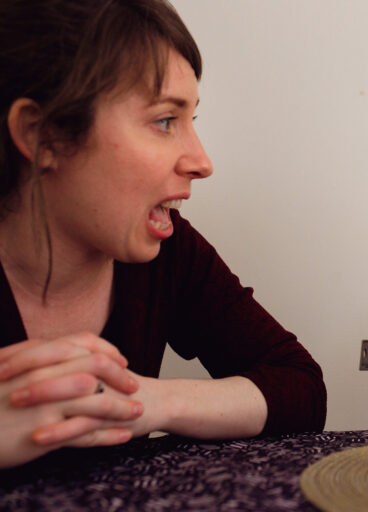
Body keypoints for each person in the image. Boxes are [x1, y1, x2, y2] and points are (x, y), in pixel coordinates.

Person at [0, 0, 326, 470]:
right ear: (42, 136)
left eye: (193, 119)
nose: (202, 161)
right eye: (165, 120)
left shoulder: (171, 252)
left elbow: (299, 388)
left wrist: (145, 401)